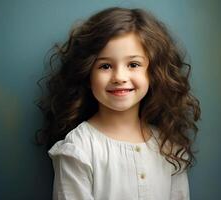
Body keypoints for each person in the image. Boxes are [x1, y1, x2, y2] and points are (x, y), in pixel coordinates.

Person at [36, 7, 201, 200]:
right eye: (105, 66)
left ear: (153, 72)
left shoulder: (169, 148)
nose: (119, 77)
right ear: (88, 74)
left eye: (133, 64)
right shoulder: (79, 149)